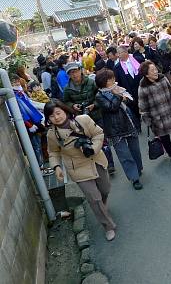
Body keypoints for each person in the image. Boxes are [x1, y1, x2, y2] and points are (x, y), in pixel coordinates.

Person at [45, 101, 117, 241]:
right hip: (77, 169)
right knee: (94, 199)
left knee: (105, 189)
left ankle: (102, 206)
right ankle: (108, 226)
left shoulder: (83, 120)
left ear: (65, 110)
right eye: (52, 116)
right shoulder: (52, 135)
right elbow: (53, 152)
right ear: (49, 119)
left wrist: (93, 148)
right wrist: (56, 167)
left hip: (95, 160)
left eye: (58, 113)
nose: (57, 117)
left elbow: (98, 133)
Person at [63, 62, 117, 174]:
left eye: (76, 71)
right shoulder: (67, 89)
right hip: (81, 120)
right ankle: (99, 163)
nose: (74, 74)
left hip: (96, 116)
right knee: (90, 142)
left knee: (103, 140)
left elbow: (101, 95)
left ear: (80, 70)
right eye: (71, 73)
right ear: (68, 75)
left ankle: (110, 164)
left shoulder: (91, 82)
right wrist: (73, 106)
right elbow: (66, 102)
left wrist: (94, 105)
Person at [95, 69, 143, 190]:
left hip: (128, 123)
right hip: (114, 129)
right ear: (103, 81)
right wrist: (118, 96)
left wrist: (125, 98)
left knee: (135, 150)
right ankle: (134, 178)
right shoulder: (100, 95)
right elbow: (112, 107)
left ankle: (138, 168)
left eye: (112, 78)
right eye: (110, 79)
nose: (113, 81)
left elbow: (130, 102)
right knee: (124, 155)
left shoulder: (118, 89)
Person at [138, 61, 171, 164]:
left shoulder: (163, 79)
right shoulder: (143, 87)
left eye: (155, 68)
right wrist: (148, 121)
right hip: (157, 117)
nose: (155, 71)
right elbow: (143, 107)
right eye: (152, 70)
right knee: (164, 138)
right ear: (146, 74)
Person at [113, 45, 143, 129]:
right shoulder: (117, 67)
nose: (118, 55)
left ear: (126, 52)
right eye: (117, 53)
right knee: (134, 109)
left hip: (141, 88)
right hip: (129, 92)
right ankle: (138, 126)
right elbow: (117, 83)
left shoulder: (137, 60)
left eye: (120, 53)